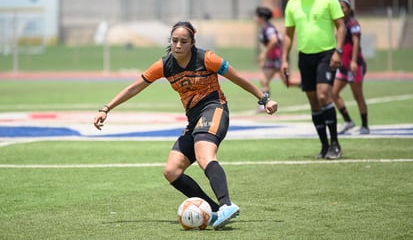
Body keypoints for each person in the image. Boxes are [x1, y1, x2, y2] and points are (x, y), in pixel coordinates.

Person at [93, 21, 278, 230]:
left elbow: (238, 78)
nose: (178, 45)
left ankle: (227, 203)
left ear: (192, 43)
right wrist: (106, 108)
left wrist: (264, 99)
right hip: (194, 119)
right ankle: (216, 211)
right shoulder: (164, 65)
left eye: (184, 41)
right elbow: (134, 87)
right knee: (171, 170)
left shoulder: (207, 58)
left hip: (214, 108)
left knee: (204, 155)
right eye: (174, 41)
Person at [281, 0, 346, 159]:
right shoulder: (292, 3)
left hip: (326, 54)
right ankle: (324, 146)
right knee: (313, 101)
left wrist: (338, 51)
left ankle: (335, 144)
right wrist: (284, 59)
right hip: (305, 56)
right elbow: (288, 35)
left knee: (324, 94)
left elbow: (341, 27)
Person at [333, 0, 369, 135]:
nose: (341, 10)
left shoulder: (352, 23)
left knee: (357, 95)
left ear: (349, 9)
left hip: (355, 65)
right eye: (339, 7)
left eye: (343, 7)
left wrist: (353, 61)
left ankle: (365, 125)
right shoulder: (339, 24)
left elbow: (355, 43)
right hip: (343, 66)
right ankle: (348, 120)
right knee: (333, 93)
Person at [255, 6, 300, 103]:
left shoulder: (268, 28)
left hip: (279, 58)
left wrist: (264, 54)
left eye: (256, 16)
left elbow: (274, 40)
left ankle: (309, 85)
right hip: (272, 59)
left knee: (288, 82)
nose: (255, 19)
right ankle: (265, 103)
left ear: (262, 17)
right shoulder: (264, 27)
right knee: (263, 80)